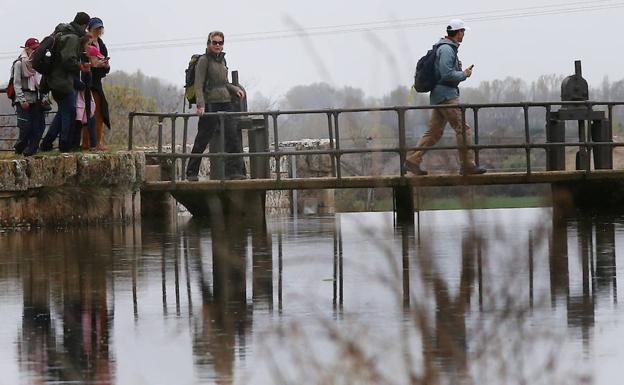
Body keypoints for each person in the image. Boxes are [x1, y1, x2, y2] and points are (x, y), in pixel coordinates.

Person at [405, 19, 486, 176]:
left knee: (434, 132)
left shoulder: (443, 48)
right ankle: (467, 165)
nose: (464, 34)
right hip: (447, 96)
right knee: (463, 129)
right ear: (458, 32)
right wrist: (464, 74)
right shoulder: (447, 50)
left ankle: (412, 160)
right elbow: (447, 74)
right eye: (463, 31)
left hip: (438, 96)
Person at [186, 31, 247, 181]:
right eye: (215, 42)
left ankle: (235, 172)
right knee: (202, 138)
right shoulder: (204, 61)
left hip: (225, 102)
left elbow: (224, 83)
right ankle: (191, 172)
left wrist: (235, 89)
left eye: (220, 43)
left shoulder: (222, 61)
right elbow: (199, 85)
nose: (218, 45)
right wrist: (200, 105)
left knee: (232, 136)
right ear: (209, 43)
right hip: (210, 104)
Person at [40, 11, 90, 152]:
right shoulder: (72, 37)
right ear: (84, 24)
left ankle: (47, 143)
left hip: (54, 80)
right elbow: (68, 61)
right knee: (70, 113)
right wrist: (81, 66)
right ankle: (65, 146)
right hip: (62, 81)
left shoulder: (61, 33)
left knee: (63, 112)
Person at [12, 38, 50, 156]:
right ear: (27, 49)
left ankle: (31, 151)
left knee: (39, 127)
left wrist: (44, 98)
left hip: (37, 99)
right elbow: (16, 84)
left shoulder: (39, 64)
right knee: (26, 127)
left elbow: (43, 83)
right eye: (33, 49)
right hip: (23, 100)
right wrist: (22, 100)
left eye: (37, 49)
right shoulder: (19, 64)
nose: (35, 51)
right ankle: (19, 148)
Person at [83, 17, 111, 151]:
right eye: (96, 29)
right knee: (90, 112)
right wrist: (97, 65)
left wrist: (105, 65)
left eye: (100, 29)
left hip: (97, 81)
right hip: (88, 81)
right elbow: (86, 62)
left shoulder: (101, 44)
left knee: (99, 111)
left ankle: (97, 141)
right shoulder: (86, 42)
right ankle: (88, 142)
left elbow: (104, 61)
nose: (98, 31)